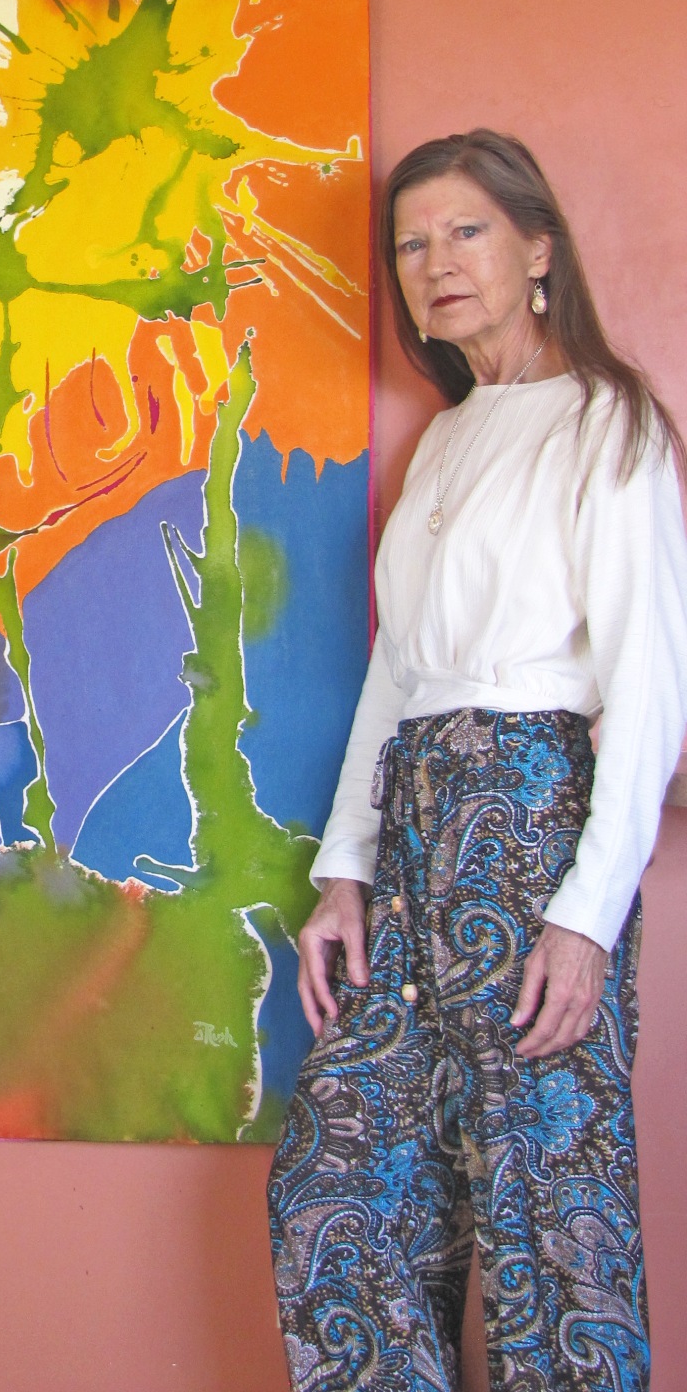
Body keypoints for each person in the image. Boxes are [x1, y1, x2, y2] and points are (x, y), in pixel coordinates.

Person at [267, 129, 687, 1392]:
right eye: (408, 243)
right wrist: (343, 874)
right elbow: (396, 677)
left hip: (531, 829)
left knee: (546, 1213)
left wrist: (586, 916)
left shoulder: (607, 422)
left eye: (464, 231)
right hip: (411, 841)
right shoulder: (445, 441)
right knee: (337, 1186)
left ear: (536, 249)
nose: (432, 262)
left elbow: (649, 690)